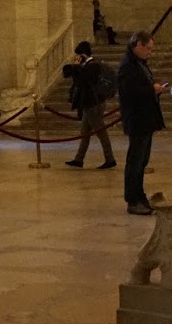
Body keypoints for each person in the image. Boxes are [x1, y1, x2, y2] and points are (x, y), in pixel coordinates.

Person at [117, 30, 165, 215]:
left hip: (145, 118)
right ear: (138, 45)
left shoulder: (139, 63)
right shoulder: (127, 66)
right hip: (137, 119)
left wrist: (154, 90)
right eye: (148, 49)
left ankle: (140, 195)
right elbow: (129, 93)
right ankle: (132, 200)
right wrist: (152, 89)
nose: (150, 52)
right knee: (135, 162)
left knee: (142, 161)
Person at [63, 40, 116, 169]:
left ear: (83, 55)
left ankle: (110, 159)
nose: (76, 58)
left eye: (78, 55)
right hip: (89, 104)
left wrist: (77, 67)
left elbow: (84, 81)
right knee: (85, 133)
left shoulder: (93, 66)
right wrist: (75, 68)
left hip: (94, 104)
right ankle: (79, 159)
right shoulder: (86, 67)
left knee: (101, 132)